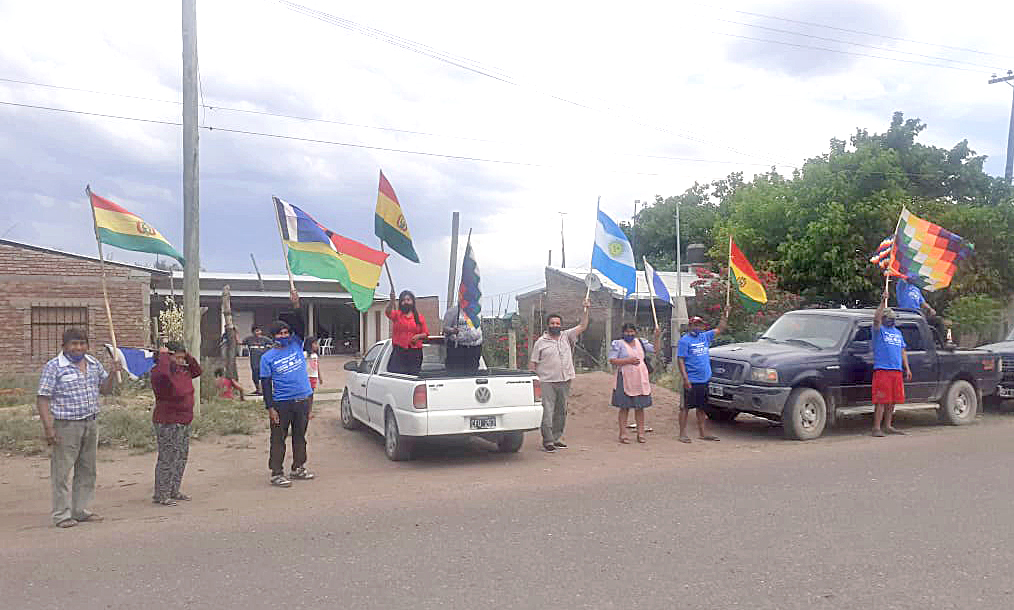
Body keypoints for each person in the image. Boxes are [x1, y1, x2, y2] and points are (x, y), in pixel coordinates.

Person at [36, 327, 120, 528]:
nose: (78, 347)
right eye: (74, 344)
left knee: (87, 470)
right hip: (66, 426)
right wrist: (49, 428)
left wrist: (113, 373)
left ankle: (80, 511)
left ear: (87, 345)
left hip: (90, 423)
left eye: (82, 343)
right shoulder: (54, 367)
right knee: (62, 472)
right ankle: (62, 515)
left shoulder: (92, 363)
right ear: (64, 346)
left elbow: (105, 390)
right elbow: (43, 399)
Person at [261, 315, 316, 487]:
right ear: (273, 337)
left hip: (302, 401)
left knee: (300, 436)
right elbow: (266, 385)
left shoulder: (296, 344)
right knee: (278, 438)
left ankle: (298, 467)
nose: (284, 336)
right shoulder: (267, 358)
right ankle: (276, 473)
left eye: (286, 333)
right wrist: (270, 408)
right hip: (281, 403)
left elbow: (300, 324)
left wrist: (297, 306)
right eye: (280, 334)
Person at [529, 299, 590, 452]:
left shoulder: (566, 336)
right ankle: (548, 440)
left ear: (561, 325)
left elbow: (583, 326)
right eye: (552, 323)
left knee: (561, 411)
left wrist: (586, 309)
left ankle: (557, 438)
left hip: (565, 380)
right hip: (546, 381)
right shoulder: (540, 342)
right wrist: (533, 380)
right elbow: (533, 363)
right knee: (547, 411)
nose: (555, 326)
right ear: (548, 325)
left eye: (557, 323)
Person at [150, 341, 202, 506]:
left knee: (180, 457)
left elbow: (197, 370)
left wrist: (187, 354)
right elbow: (164, 376)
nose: (181, 361)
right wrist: (164, 356)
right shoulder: (159, 372)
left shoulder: (183, 370)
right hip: (168, 421)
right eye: (177, 358)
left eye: (182, 358)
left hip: (184, 420)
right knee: (168, 457)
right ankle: (161, 494)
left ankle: (174, 489)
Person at [676, 311, 728, 443]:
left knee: (702, 407)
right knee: (685, 408)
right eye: (694, 325)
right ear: (690, 326)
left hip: (704, 380)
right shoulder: (684, 341)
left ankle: (702, 433)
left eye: (699, 326)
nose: (697, 328)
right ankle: (682, 434)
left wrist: (725, 315)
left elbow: (720, 329)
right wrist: (685, 378)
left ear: (703, 327)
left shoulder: (705, 337)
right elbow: (680, 360)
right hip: (691, 380)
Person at [609, 323, 661, 444]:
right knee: (624, 407)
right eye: (627, 332)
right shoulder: (618, 344)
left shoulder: (641, 342)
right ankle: (623, 434)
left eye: (632, 331)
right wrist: (628, 361)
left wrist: (657, 337)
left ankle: (641, 433)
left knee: (640, 407)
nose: (630, 334)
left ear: (635, 332)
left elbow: (655, 350)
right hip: (625, 377)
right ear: (623, 333)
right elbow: (612, 360)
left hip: (640, 377)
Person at [873, 287, 912, 437]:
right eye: (888, 317)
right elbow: (876, 319)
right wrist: (883, 301)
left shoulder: (898, 332)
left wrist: (907, 368)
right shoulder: (879, 330)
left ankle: (888, 425)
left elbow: (903, 350)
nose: (891, 320)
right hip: (882, 369)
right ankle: (876, 428)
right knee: (881, 400)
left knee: (892, 401)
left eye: (893, 318)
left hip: (896, 370)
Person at [385, 290, 429, 375]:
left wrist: (418, 336)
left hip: (415, 353)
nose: (406, 302)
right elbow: (388, 312)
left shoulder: (419, 317)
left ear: (412, 302)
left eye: (408, 300)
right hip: (399, 352)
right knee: (399, 377)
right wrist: (391, 301)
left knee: (413, 376)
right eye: (403, 300)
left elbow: (426, 334)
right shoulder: (397, 315)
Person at [442, 305, 483, 372]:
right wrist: (453, 330)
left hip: (475, 348)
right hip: (458, 348)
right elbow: (445, 328)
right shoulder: (452, 311)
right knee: (457, 373)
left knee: (472, 373)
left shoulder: (476, 310)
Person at [242, 326, 273, 395]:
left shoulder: (265, 339)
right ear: (253, 332)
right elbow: (241, 343)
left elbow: (273, 345)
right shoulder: (248, 339)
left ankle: (265, 390)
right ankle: (258, 390)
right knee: (255, 376)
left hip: (263, 361)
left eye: (259, 331)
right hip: (254, 361)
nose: (258, 332)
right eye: (256, 331)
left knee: (264, 375)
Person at [304, 335, 323, 404]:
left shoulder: (315, 355)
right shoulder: (305, 354)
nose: (317, 345)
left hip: (313, 376)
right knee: (306, 395)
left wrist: (320, 377)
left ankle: (310, 410)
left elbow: (317, 366)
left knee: (311, 394)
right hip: (306, 377)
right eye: (315, 344)